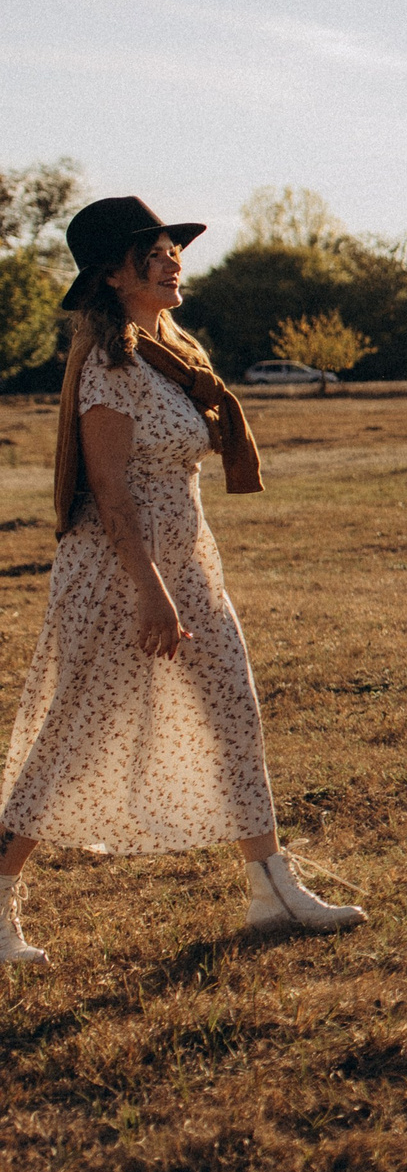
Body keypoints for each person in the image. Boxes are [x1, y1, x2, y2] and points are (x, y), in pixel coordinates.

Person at [0, 197, 362, 967]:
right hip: (119, 571)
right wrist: (153, 593)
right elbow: (108, 488)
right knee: (75, 729)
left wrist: (179, 578)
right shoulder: (112, 363)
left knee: (233, 706)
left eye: (173, 248)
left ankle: (271, 887)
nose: (173, 260)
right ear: (111, 273)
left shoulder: (174, 352)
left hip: (189, 557)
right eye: (153, 251)